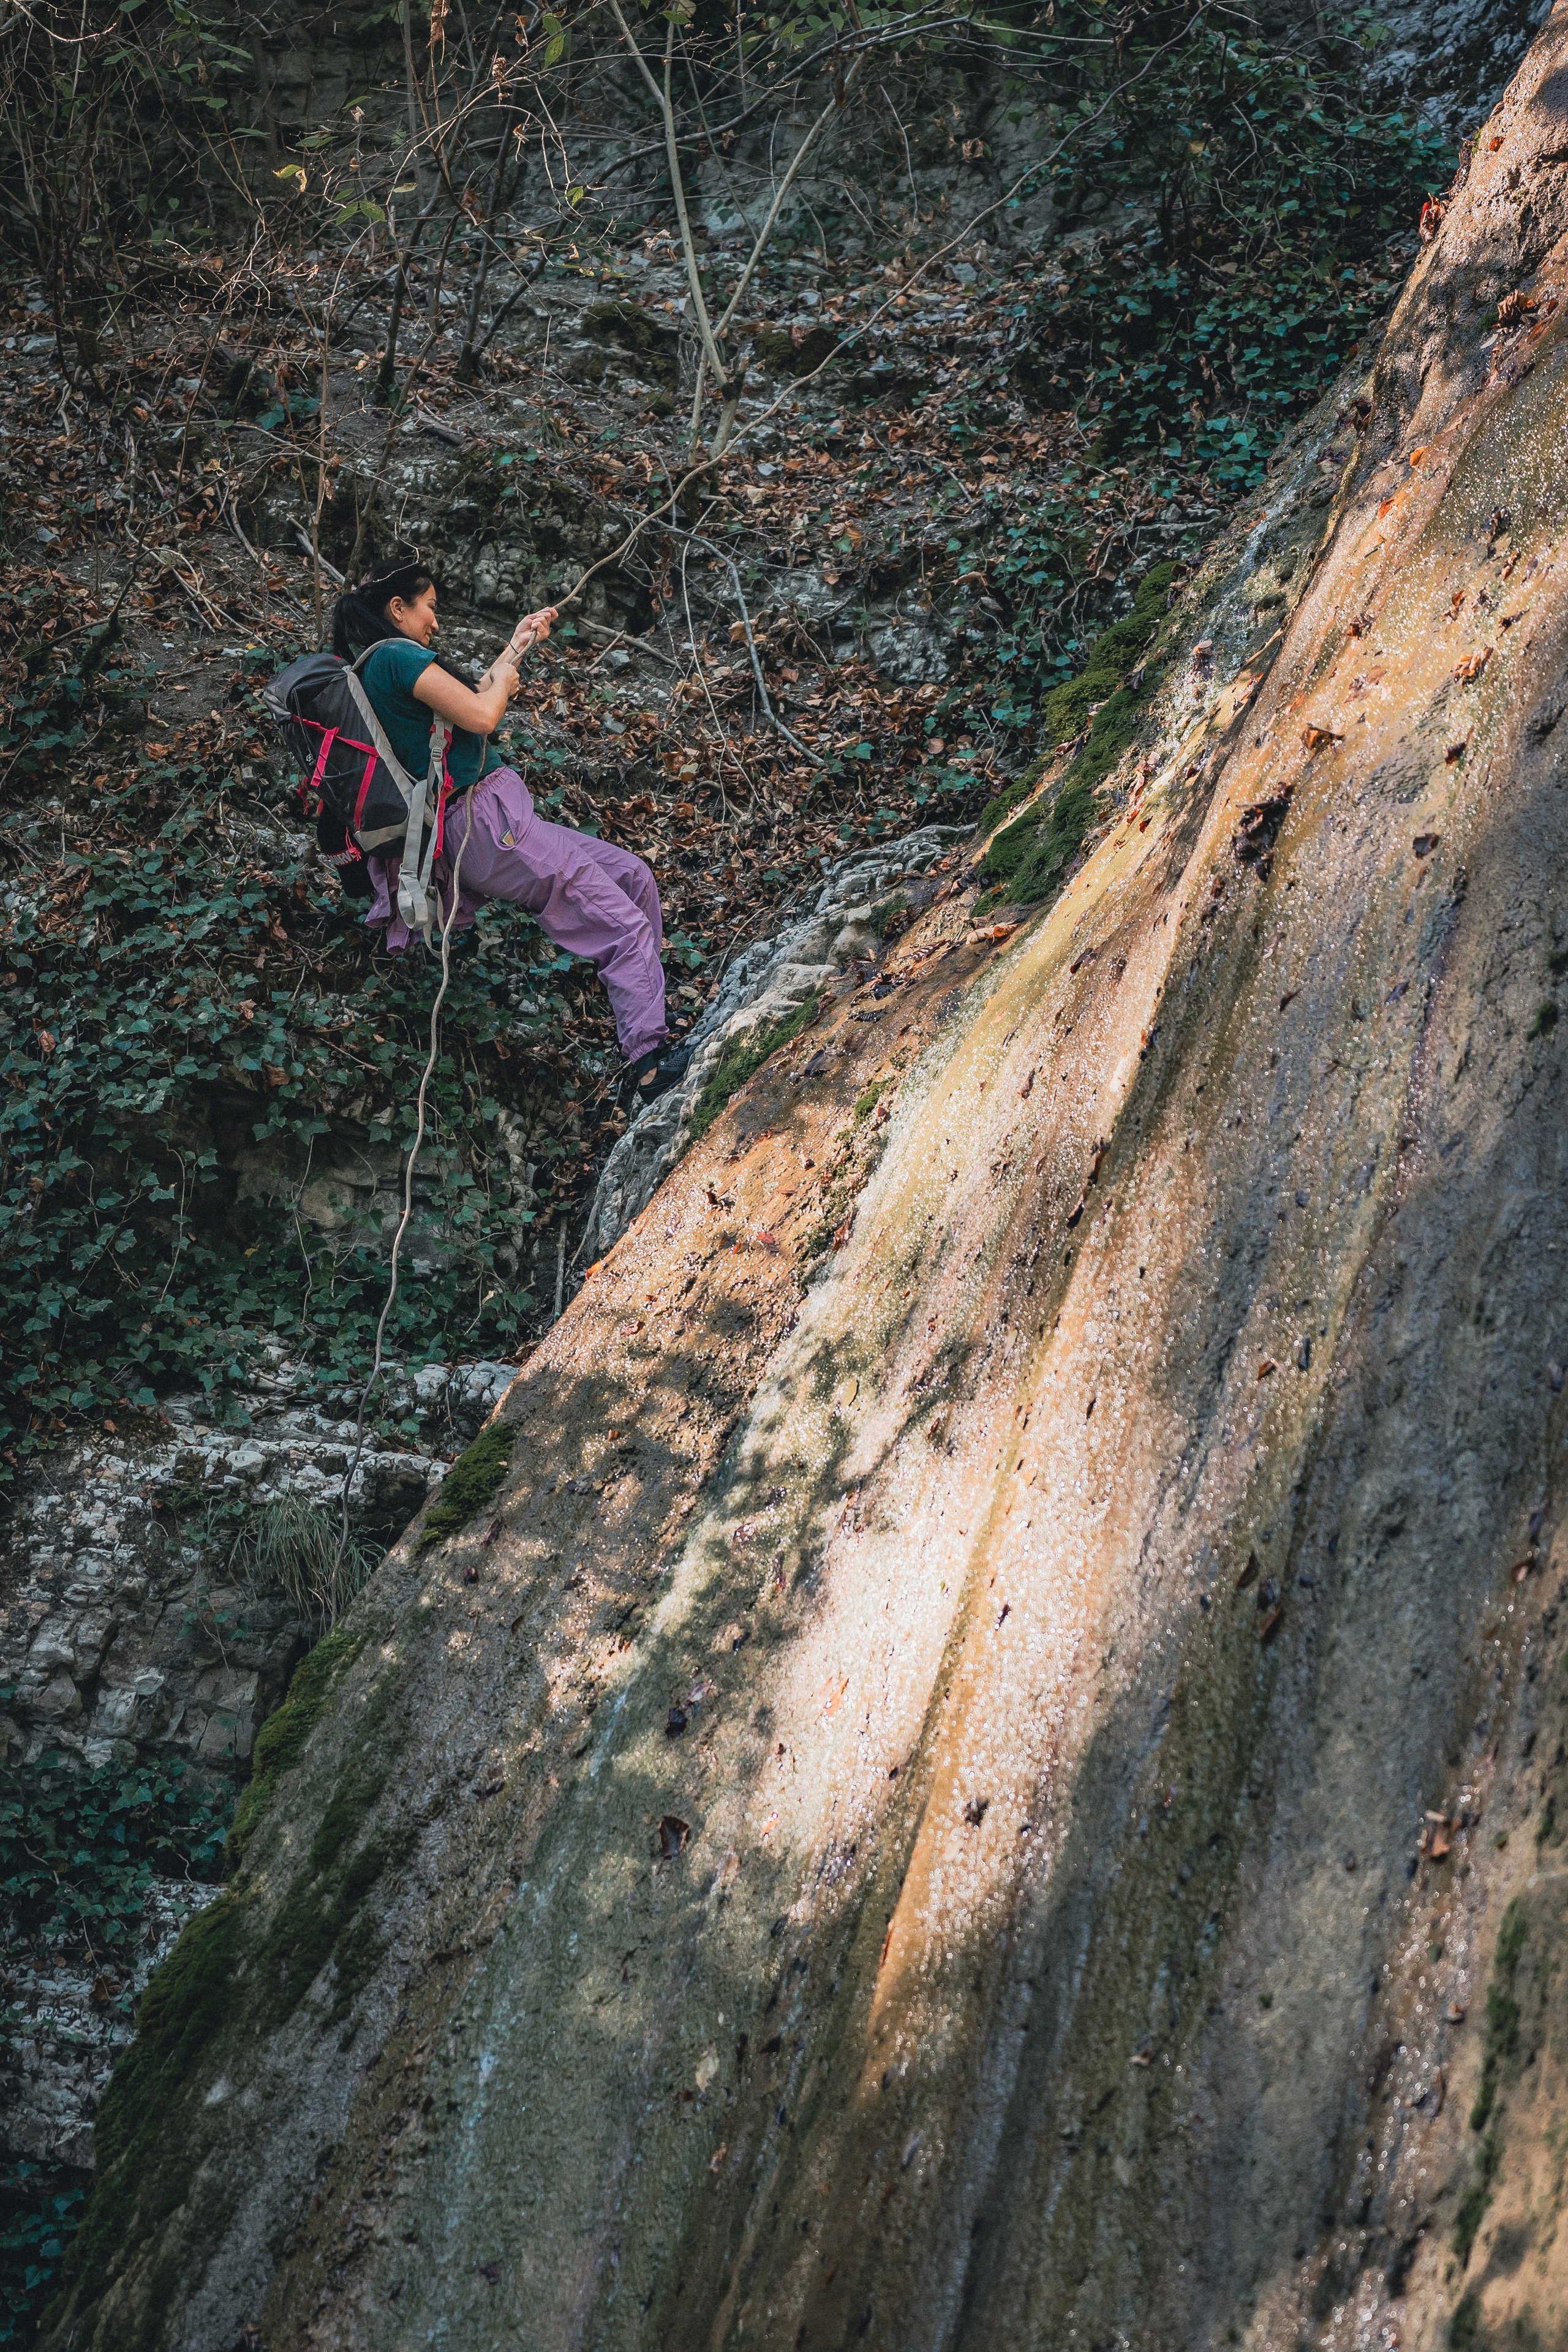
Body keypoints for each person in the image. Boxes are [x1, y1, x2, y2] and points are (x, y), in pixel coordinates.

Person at [330, 558, 690, 1103]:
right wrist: (498, 686)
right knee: (623, 925)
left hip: (487, 825)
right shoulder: (398, 656)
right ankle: (648, 1063)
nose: (436, 622)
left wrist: (518, 644)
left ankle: (649, 1010)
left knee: (633, 877)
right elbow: (480, 715)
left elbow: (468, 699)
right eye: (429, 607)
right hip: (488, 824)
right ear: (397, 608)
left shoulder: (371, 667)